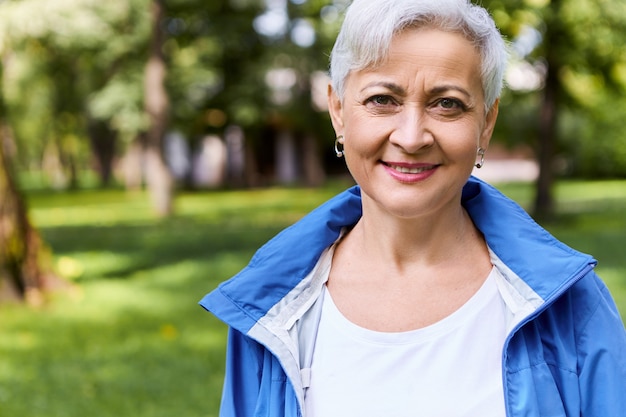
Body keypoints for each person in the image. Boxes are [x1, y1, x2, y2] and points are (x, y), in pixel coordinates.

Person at [199, 0, 626, 415]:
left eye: (447, 104)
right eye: (383, 99)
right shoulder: (270, 311)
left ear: (487, 124)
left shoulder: (572, 304)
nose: (412, 136)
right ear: (338, 112)